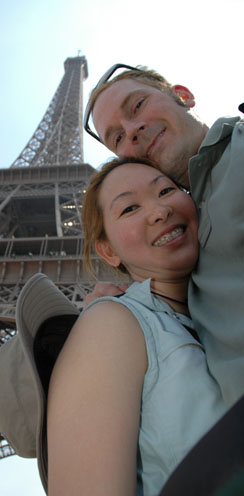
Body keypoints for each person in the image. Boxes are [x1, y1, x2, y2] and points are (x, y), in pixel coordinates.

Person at [46, 159, 226, 496]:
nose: (160, 210)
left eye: (166, 190)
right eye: (129, 207)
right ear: (108, 251)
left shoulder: (218, 315)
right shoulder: (112, 324)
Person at [83, 64, 244, 408]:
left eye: (137, 106)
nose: (132, 130)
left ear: (183, 96)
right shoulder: (182, 236)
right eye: (116, 137)